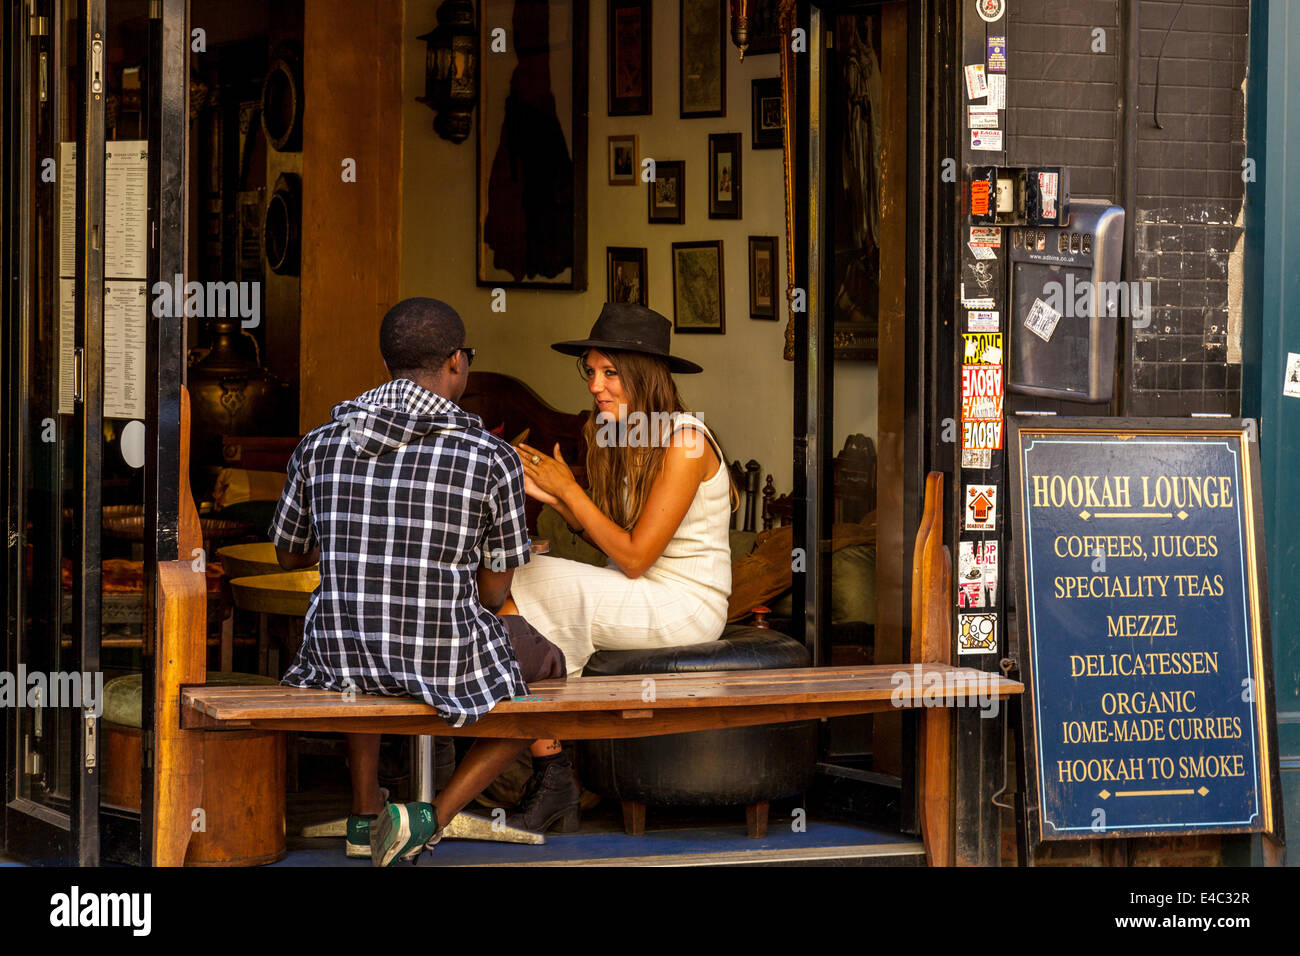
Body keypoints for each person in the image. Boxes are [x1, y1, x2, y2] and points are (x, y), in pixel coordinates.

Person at [269, 296, 568, 866]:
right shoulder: (488, 456)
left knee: (362, 628)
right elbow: (494, 594)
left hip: (337, 656)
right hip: (443, 659)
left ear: (388, 365)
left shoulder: (320, 443)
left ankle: (363, 814)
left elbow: (287, 554)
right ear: (456, 361)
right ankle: (430, 816)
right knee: (550, 665)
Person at [498, 302, 738, 832]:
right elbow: (614, 541)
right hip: (639, 587)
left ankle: (552, 765)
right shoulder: (624, 437)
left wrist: (569, 491)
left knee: (516, 581)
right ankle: (551, 764)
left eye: (610, 373)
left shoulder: (685, 441)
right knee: (512, 579)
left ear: (643, 376)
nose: (595, 386)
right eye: (591, 372)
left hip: (684, 605)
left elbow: (633, 556)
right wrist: (557, 499)